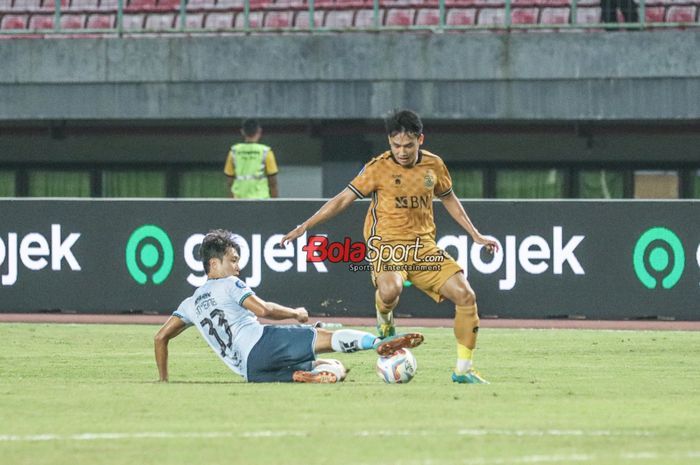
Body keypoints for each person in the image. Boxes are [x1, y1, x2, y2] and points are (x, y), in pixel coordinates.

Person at [281, 110, 499, 384]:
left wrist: (476, 235)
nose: (402, 152)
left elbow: (449, 199)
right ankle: (385, 318)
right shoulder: (378, 168)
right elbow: (342, 199)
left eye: (408, 145)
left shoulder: (434, 165)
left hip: (424, 249)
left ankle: (463, 371)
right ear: (389, 142)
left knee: (466, 295)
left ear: (420, 139)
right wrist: (305, 226)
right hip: (387, 245)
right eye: (396, 146)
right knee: (390, 289)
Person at [154, 229, 423, 383]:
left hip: (250, 371)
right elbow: (263, 310)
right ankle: (379, 343)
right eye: (233, 260)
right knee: (326, 339)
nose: (238, 267)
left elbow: (160, 337)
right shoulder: (229, 284)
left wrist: (164, 380)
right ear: (214, 264)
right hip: (261, 342)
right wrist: (296, 313)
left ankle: (302, 374)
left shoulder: (190, 303)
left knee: (334, 366)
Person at [223, 119, 279, 199]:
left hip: (239, 200)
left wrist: (231, 203)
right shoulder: (266, 152)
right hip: (261, 200)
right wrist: (275, 205)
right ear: (259, 131)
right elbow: (273, 183)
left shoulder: (234, 152)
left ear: (242, 132)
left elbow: (229, 183)